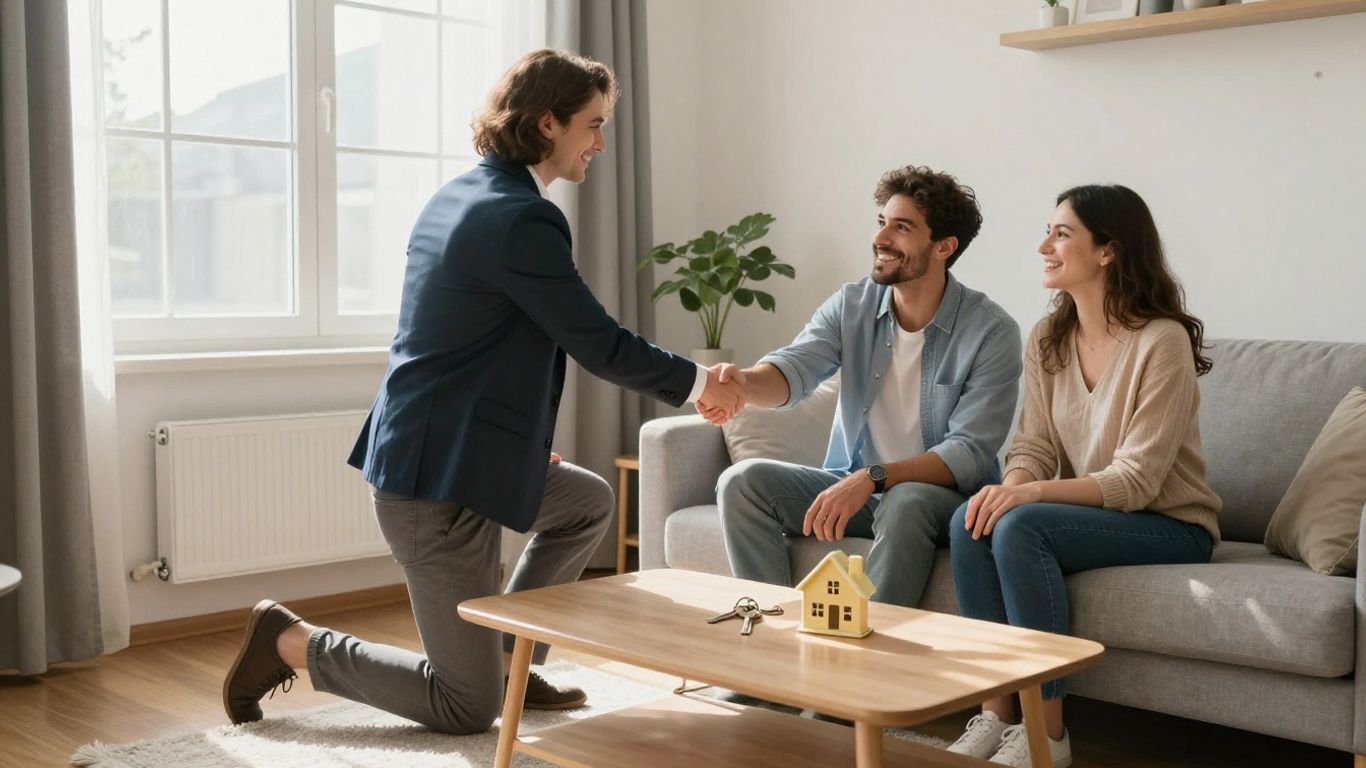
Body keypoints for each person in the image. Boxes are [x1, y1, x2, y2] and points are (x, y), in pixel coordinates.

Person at [221, 48, 744, 734]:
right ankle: (289, 641)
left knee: (585, 503)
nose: (600, 143)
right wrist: (705, 384)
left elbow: (463, 346)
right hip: (436, 486)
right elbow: (596, 341)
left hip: (450, 453)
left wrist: (519, 444)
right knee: (465, 708)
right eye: (593, 124)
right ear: (549, 123)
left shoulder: (462, 196)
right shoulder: (521, 219)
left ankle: (509, 663)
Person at [945, 185, 1221, 768]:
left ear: (1108, 250)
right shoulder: (1048, 337)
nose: (1044, 246)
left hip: (1171, 525)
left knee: (1021, 526)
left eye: (1062, 234)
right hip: (1093, 517)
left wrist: (1029, 495)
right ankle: (995, 715)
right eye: (1047, 232)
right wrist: (1007, 491)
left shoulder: (1161, 341)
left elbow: (1136, 480)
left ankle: (1047, 737)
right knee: (973, 518)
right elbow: (1034, 445)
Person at [710, 165, 1021, 613]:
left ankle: (865, 648)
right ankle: (771, 635)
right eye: (881, 222)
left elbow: (968, 453)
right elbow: (794, 369)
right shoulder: (852, 305)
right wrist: (741, 382)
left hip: (942, 501)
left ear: (944, 247)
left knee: (906, 500)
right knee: (742, 482)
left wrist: (873, 477)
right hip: (858, 487)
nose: (881, 238)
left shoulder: (991, 331)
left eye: (902, 227)